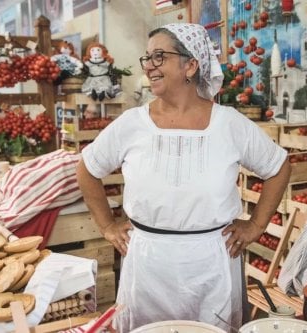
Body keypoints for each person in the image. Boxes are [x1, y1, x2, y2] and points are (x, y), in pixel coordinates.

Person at [76, 23, 291, 332]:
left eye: (159, 56)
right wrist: (108, 226)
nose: (149, 65)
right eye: (147, 57)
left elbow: (278, 167)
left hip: (212, 263)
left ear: (191, 64)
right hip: (149, 264)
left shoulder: (228, 124)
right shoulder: (132, 124)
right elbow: (87, 168)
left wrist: (256, 225)